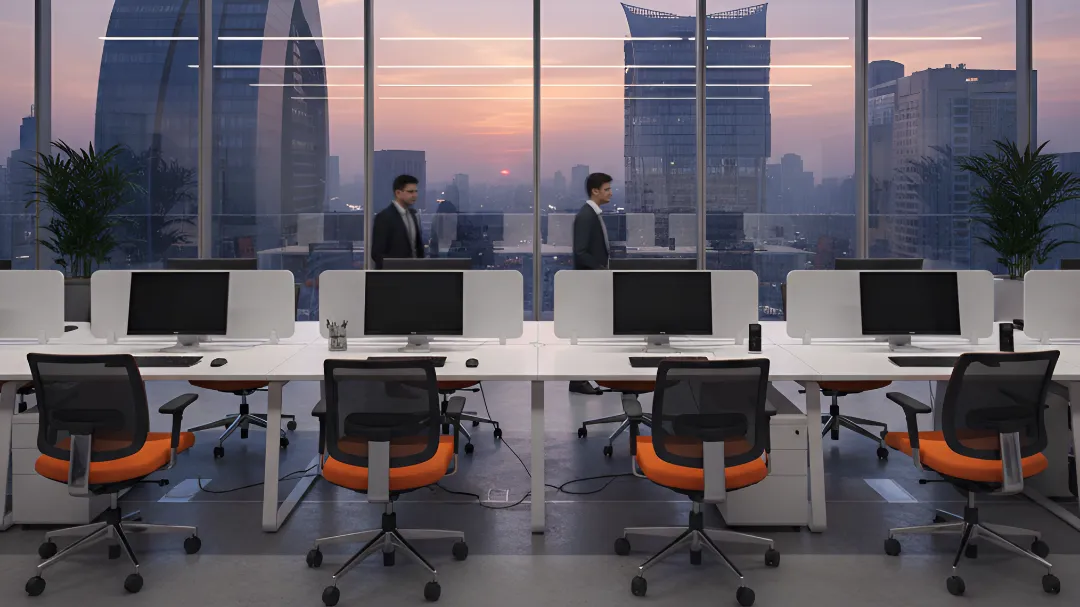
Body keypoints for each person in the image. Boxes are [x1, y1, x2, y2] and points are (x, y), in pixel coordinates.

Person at [568, 172, 613, 395]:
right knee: (585, 333)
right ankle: (578, 379)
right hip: (588, 282)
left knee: (590, 332)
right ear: (595, 191)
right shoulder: (586, 216)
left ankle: (584, 377)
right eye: (606, 189)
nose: (610, 193)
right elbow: (580, 251)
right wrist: (600, 270)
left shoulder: (593, 214)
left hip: (593, 280)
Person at [371, 174, 423, 269]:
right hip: (394, 277)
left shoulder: (413, 215)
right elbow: (377, 253)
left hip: (414, 274)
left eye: (416, 191)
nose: (415, 195)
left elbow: (417, 248)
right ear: (398, 193)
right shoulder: (384, 217)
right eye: (410, 192)